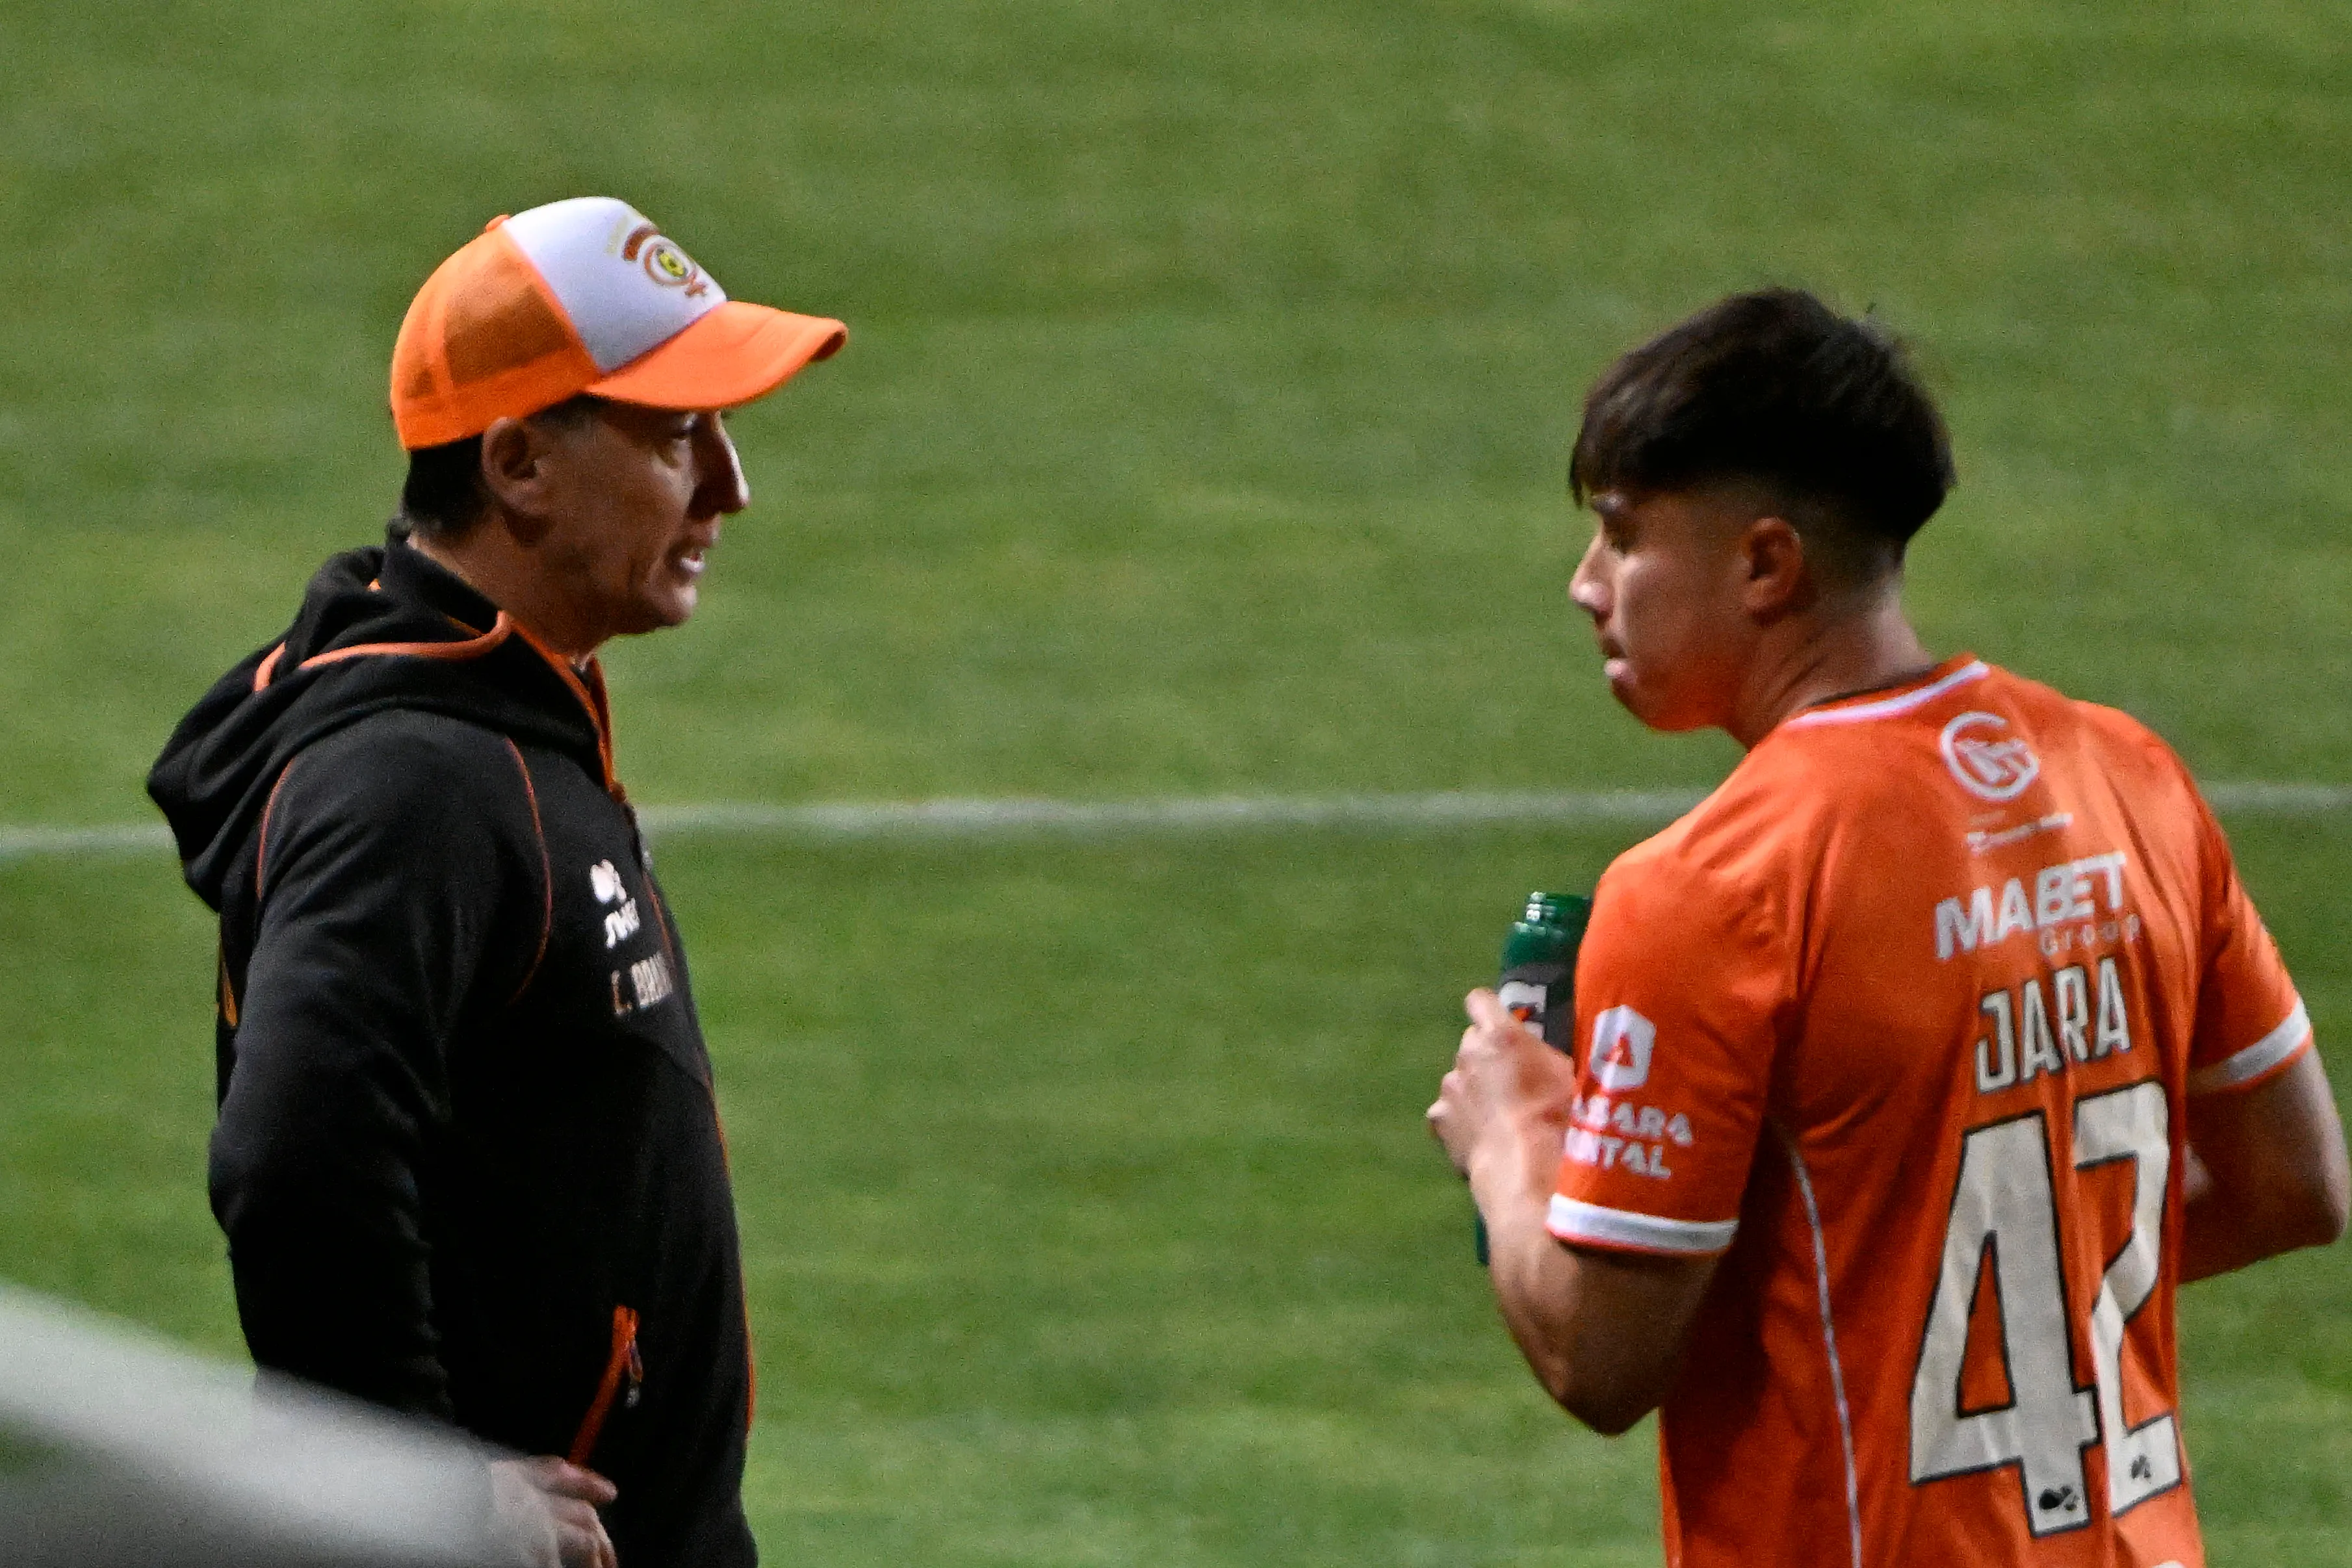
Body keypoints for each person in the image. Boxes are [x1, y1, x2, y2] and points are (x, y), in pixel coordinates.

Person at [1428, 289, 2347, 1566]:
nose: (1586, 586)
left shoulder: (1712, 886)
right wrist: (1940, 1292)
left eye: (1624, 536)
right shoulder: (2131, 777)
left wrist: (1509, 1141)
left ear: (1765, 565)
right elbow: (2298, 1186)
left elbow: (1600, 1357)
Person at [149, 196, 846, 1568]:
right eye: (672, 438)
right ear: (519, 461)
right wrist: (415, 1486)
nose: (729, 489)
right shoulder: (415, 784)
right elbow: (296, 1157)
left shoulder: (507, 731)